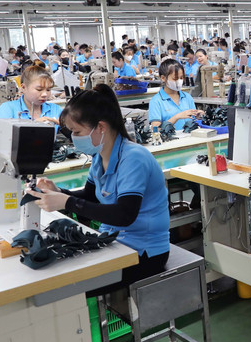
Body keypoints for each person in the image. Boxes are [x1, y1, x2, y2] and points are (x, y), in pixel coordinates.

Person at [27, 84, 170, 296]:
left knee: (66, 288)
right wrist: (59, 192)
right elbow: (89, 196)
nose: (74, 138)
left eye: (77, 132)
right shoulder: (100, 156)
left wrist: (66, 202)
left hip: (145, 252)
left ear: (101, 127)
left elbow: (124, 215)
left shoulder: (133, 158)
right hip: (113, 241)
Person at [0, 64, 63, 129]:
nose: (45, 94)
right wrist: (34, 126)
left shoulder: (56, 110)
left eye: (48, 90)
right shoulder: (8, 109)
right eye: (39, 89)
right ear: (23, 87)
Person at [148, 59, 204, 130]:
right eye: (175, 79)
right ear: (163, 78)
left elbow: (193, 122)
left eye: (181, 78)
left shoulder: (187, 97)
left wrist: (197, 116)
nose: (179, 81)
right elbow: (156, 129)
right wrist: (176, 117)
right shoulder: (156, 101)